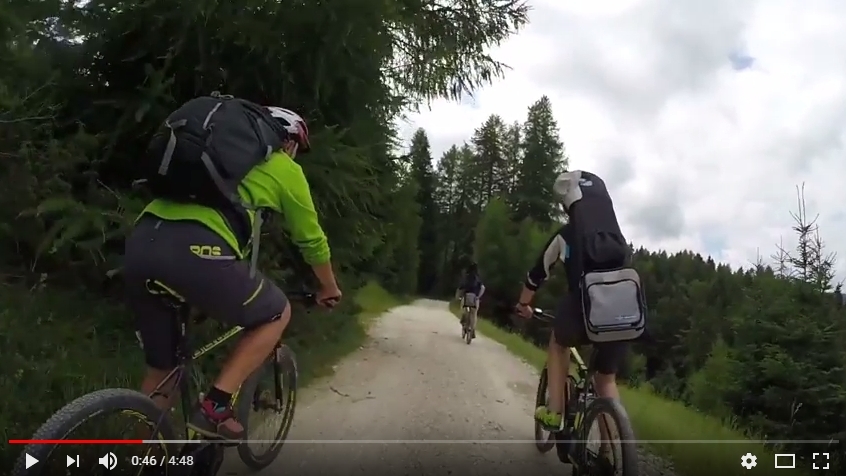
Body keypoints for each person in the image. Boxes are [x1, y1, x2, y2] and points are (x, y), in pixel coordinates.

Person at [123, 105, 342, 441]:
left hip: (142, 242)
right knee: (276, 312)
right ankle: (215, 407)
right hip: (197, 251)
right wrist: (328, 287)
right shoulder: (284, 167)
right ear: (288, 141)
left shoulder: (215, 158)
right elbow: (311, 240)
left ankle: (139, 456)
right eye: (297, 147)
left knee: (163, 371)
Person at [515, 170, 631, 436]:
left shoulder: (566, 235)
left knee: (558, 343)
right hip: (623, 315)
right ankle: (612, 452)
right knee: (605, 379)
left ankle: (555, 412)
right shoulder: (618, 241)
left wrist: (523, 305)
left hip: (583, 309)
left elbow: (535, 276)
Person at [456, 263, 485, 338]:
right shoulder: (478, 278)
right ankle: (472, 329)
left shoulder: (466, 277)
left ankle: (464, 321)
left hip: (466, 297)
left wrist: (459, 296)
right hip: (475, 299)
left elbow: (460, 288)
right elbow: (483, 288)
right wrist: (478, 296)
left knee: (463, 310)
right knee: (474, 314)